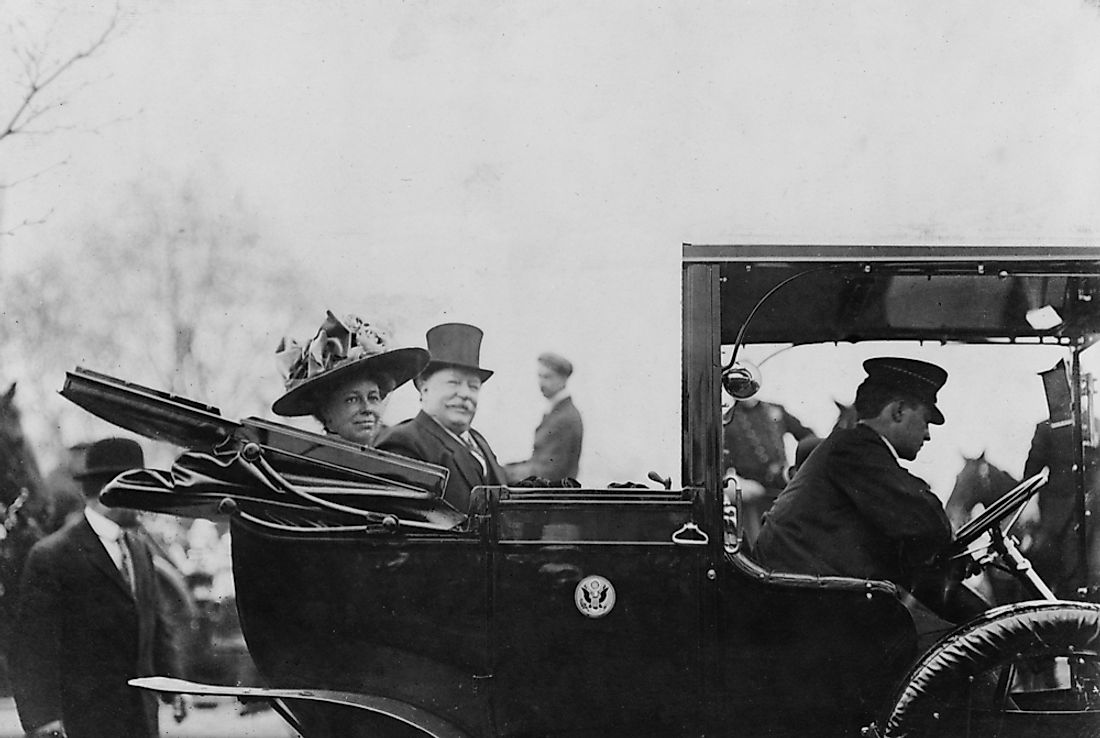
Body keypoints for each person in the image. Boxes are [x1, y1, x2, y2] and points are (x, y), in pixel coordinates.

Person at [754, 358, 981, 633]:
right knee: (953, 648)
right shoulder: (855, 451)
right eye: (925, 420)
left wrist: (984, 614)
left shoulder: (855, 454)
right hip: (811, 614)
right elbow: (926, 518)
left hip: (807, 604)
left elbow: (911, 558)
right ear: (897, 411)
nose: (928, 435)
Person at [11, 438, 184, 738]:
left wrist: (173, 685)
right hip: (83, 723)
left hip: (141, 720)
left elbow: (155, 623)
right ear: (112, 490)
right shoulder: (52, 555)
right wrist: (43, 721)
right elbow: (32, 649)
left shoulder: (140, 550)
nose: (147, 501)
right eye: (141, 490)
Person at [376, 323, 506, 512]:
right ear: (424, 387)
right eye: (453, 382)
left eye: (473, 386)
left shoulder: (478, 441)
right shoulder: (404, 444)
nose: (464, 394)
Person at [272, 311, 430, 446]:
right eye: (352, 399)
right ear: (326, 412)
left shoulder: (389, 465)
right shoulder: (308, 466)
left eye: (373, 397)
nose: (367, 408)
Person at [722, 397, 816, 544]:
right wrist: (741, 484)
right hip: (753, 489)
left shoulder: (775, 409)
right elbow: (722, 465)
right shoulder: (728, 420)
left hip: (782, 483)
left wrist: (802, 464)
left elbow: (808, 437)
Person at [505, 352, 584, 483]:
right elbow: (539, 461)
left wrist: (503, 473)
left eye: (547, 377)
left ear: (563, 379)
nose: (541, 383)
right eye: (539, 376)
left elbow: (550, 471)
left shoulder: (565, 418)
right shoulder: (557, 412)